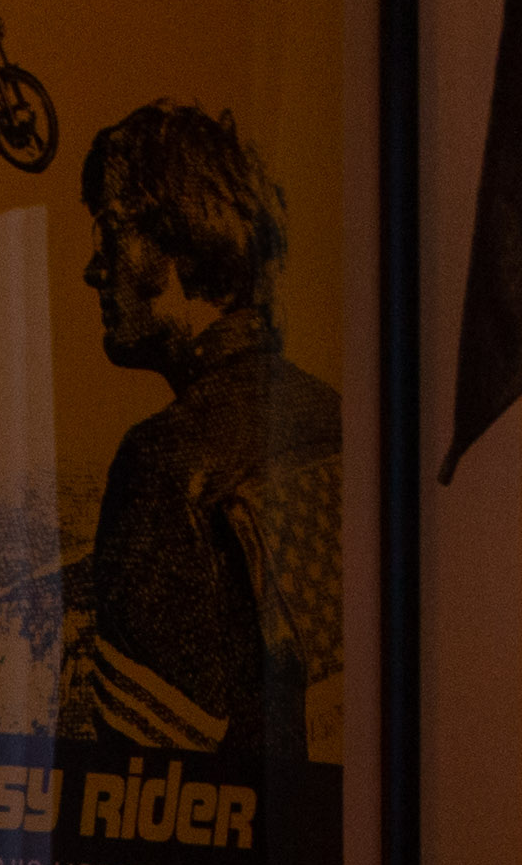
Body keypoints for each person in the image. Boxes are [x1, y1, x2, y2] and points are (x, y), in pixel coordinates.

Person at [60, 102, 345, 776]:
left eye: (111, 233)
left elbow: (139, 787)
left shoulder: (161, 464)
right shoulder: (336, 414)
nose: (94, 269)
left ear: (182, 239)